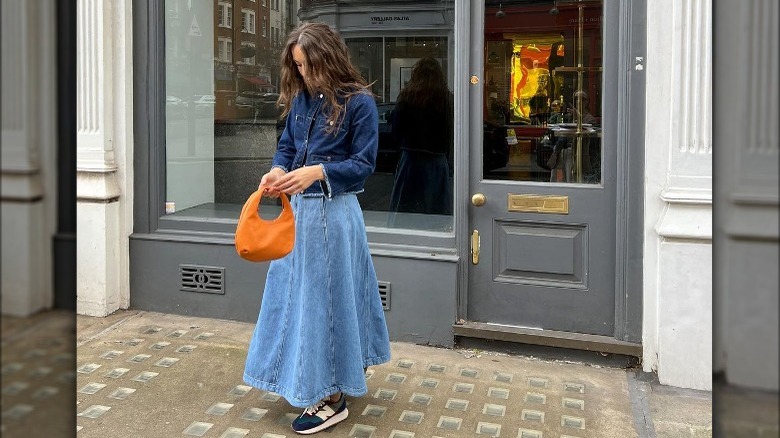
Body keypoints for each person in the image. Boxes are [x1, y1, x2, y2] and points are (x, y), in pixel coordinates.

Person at [242, 22, 391, 435]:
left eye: (307, 65)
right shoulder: (303, 98)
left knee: (325, 306)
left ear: (328, 58)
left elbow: (363, 165)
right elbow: (288, 146)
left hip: (334, 214)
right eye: (298, 66)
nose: (303, 74)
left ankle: (331, 397)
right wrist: (277, 170)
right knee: (294, 303)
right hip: (298, 218)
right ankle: (308, 380)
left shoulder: (359, 102)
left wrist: (316, 172)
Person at [388, 57, 454, 224]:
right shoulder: (447, 99)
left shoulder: (407, 97)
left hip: (411, 159)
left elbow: (396, 130)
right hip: (437, 160)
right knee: (436, 210)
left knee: (405, 209)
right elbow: (452, 131)